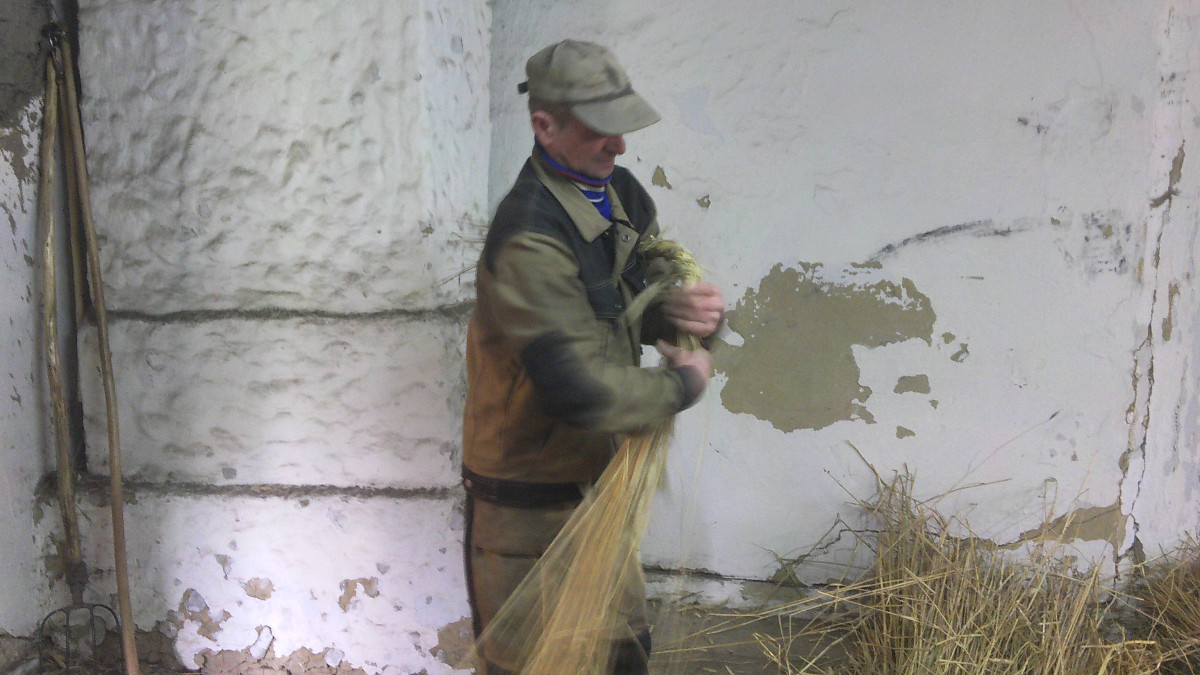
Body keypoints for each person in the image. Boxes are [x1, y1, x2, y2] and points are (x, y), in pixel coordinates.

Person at [461, 39, 724, 675]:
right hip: (528, 505)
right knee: (531, 664)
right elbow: (577, 389)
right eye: (600, 129)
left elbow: (631, 302)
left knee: (621, 657)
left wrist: (687, 316)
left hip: (595, 484)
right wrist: (681, 386)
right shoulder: (529, 236)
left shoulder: (620, 195)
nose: (620, 146)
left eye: (623, 127)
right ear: (543, 126)